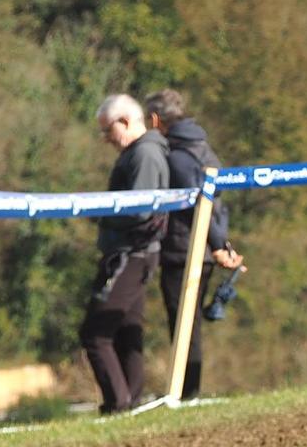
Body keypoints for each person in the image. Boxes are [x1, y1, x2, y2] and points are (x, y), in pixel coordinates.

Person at [144, 87, 244, 403]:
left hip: (184, 250)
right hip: (203, 248)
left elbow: (198, 206)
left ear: (155, 120)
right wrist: (222, 242)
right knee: (191, 322)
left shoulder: (177, 157)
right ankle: (188, 393)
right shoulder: (203, 148)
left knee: (185, 324)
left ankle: (186, 394)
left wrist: (218, 245)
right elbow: (218, 203)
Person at [80, 93, 171, 413]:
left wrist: (99, 213)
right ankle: (131, 402)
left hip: (131, 254)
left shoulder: (144, 154)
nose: (106, 139)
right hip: (135, 253)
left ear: (126, 121)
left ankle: (117, 404)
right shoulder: (139, 153)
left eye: (108, 131)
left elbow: (140, 209)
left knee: (95, 333)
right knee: (126, 331)